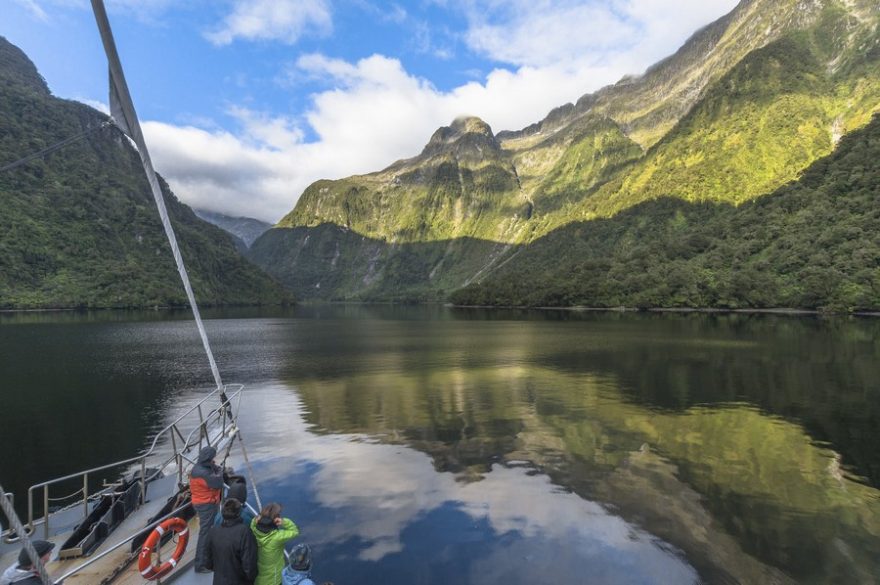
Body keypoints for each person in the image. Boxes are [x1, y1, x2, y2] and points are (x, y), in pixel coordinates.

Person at [204, 498, 258, 585]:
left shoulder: (213, 530)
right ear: (238, 513)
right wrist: (250, 580)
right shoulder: (244, 532)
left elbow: (207, 560)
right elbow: (249, 565)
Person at [190, 445, 224, 573]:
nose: (213, 460)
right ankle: (200, 564)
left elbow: (212, 470)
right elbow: (218, 483)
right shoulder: (203, 473)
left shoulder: (200, 467)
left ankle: (208, 556)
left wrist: (214, 467)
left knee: (209, 529)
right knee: (204, 533)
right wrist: (220, 471)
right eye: (212, 458)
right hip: (206, 505)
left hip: (204, 502)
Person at [250, 503, 299, 585]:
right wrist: (284, 522)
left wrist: (256, 520)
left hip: (258, 579)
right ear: (276, 520)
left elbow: (253, 524)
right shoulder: (277, 537)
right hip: (274, 581)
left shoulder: (254, 530)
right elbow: (295, 531)